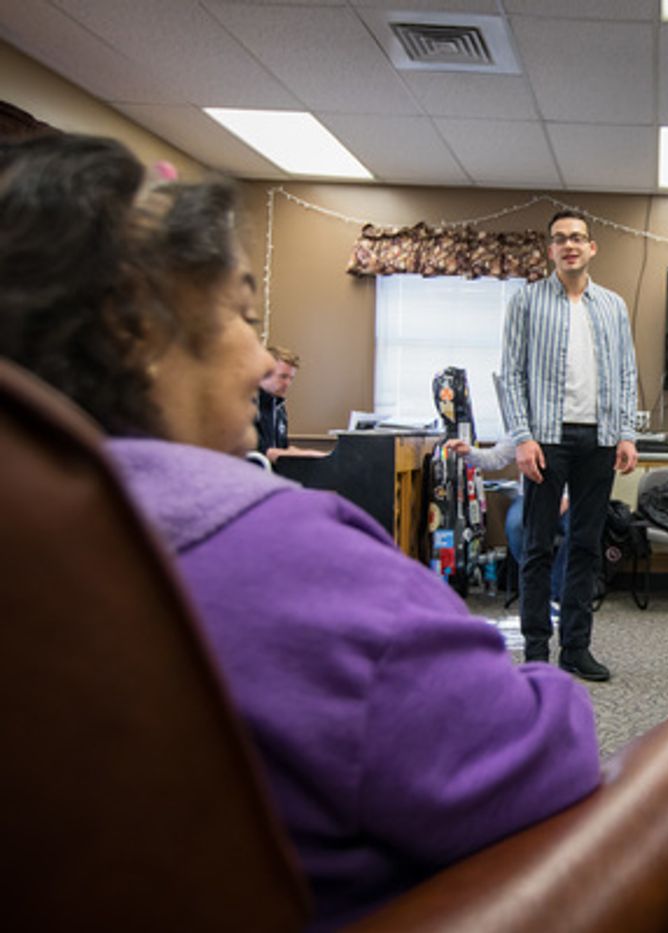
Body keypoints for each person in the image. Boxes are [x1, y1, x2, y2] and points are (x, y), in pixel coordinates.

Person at [0, 134, 600, 932]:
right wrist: (553, 688)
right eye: (243, 317)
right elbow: (543, 752)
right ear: (134, 333)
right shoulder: (292, 557)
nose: (262, 362)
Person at [499, 209, 638, 681]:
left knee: (585, 546)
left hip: (599, 438)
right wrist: (523, 437)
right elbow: (511, 374)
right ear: (551, 250)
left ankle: (576, 649)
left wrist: (626, 432)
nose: (569, 245)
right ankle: (537, 651)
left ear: (591, 247)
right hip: (546, 439)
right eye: (560, 239)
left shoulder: (613, 306)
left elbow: (626, 372)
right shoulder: (527, 301)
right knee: (537, 547)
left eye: (577, 237)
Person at [445, 435, 570, 608]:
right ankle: (537, 582)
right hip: (531, 493)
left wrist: (567, 497)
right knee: (516, 526)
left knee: (579, 530)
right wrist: (468, 452)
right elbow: (496, 458)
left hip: (572, 497)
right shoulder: (523, 429)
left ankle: (557, 592)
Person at [254, 344, 324, 462]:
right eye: (283, 376)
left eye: (291, 378)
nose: (288, 383)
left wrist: (320, 455)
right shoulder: (246, 405)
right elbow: (261, 452)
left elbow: (283, 449)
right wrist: (310, 454)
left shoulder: (279, 407)